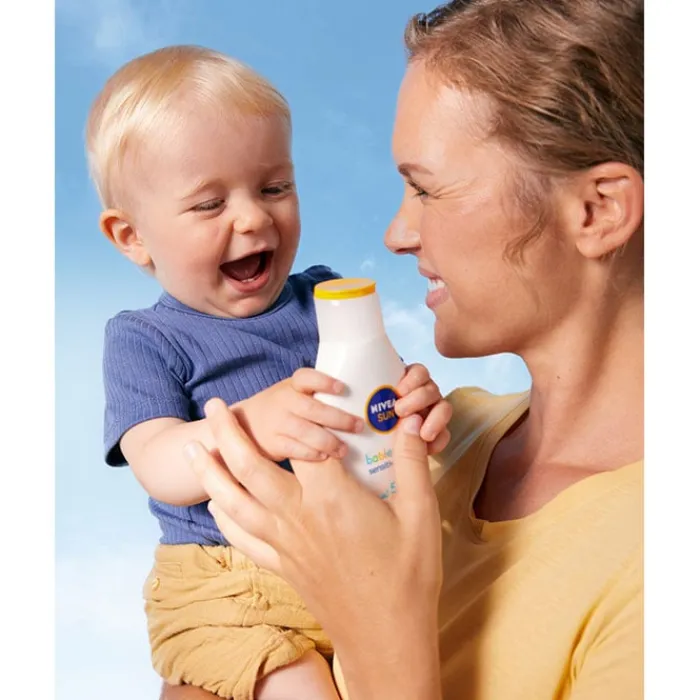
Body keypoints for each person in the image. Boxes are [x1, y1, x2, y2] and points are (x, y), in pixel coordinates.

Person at [180, 0, 644, 698]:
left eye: (426, 189)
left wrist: (379, 629)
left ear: (597, 210)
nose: (398, 234)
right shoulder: (435, 436)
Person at [87, 45, 452, 700]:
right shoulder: (145, 339)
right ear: (132, 237)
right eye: (209, 204)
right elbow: (158, 465)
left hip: (350, 559)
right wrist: (250, 425)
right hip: (227, 587)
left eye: (274, 188)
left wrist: (414, 409)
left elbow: (380, 405)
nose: (254, 217)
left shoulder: (327, 297)